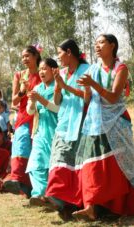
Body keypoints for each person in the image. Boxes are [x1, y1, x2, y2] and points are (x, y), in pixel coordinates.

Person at [73, 34, 134, 220]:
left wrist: (92, 84)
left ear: (112, 46)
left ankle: (114, 207)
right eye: (96, 42)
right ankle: (91, 206)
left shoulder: (121, 68)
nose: (97, 45)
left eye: (102, 42)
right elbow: (88, 99)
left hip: (116, 123)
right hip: (94, 123)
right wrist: (85, 89)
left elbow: (113, 97)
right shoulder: (94, 68)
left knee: (115, 165)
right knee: (92, 165)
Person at [42, 39, 90, 219]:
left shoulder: (87, 70)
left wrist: (64, 86)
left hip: (80, 123)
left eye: (60, 53)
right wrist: (58, 88)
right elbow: (57, 101)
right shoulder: (61, 72)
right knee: (58, 158)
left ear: (69, 52)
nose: (58, 57)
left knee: (75, 164)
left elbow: (87, 98)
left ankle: (72, 202)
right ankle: (57, 197)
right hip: (63, 123)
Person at [7, 45, 42, 197]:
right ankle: (19, 183)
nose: (24, 59)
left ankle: (37, 188)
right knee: (21, 148)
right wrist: (22, 91)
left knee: (38, 152)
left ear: (36, 56)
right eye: (22, 57)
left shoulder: (44, 72)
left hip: (41, 117)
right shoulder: (19, 75)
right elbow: (14, 101)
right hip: (23, 118)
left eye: (27, 56)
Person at [25, 58, 59, 204]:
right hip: (40, 131)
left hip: (56, 130)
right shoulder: (37, 88)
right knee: (35, 163)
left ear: (54, 70)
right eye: (40, 69)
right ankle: (39, 193)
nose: (41, 72)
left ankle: (53, 195)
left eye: (45, 68)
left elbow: (57, 108)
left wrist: (41, 99)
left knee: (53, 164)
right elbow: (30, 112)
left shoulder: (59, 87)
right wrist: (32, 101)